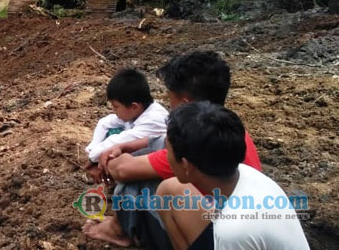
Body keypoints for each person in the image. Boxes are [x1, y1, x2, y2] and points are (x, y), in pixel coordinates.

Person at [83, 51, 262, 249]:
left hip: (217, 236)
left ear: (185, 105)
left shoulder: (191, 146)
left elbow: (123, 171)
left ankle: (120, 230)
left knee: (133, 184)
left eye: (171, 99)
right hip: (239, 219)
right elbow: (158, 142)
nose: (169, 105)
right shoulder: (227, 127)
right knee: (148, 158)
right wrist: (126, 145)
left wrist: (109, 158)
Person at [160, 102, 310, 250]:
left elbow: (233, 232)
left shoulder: (232, 233)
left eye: (168, 150)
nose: (167, 157)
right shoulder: (244, 173)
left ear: (186, 165)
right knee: (169, 190)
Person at [84, 68, 169, 183]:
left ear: (134, 106)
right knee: (111, 135)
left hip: (156, 167)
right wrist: (92, 151)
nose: (114, 110)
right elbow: (105, 122)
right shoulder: (139, 110)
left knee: (113, 155)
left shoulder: (154, 121)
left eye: (116, 106)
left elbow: (118, 142)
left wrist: (93, 158)